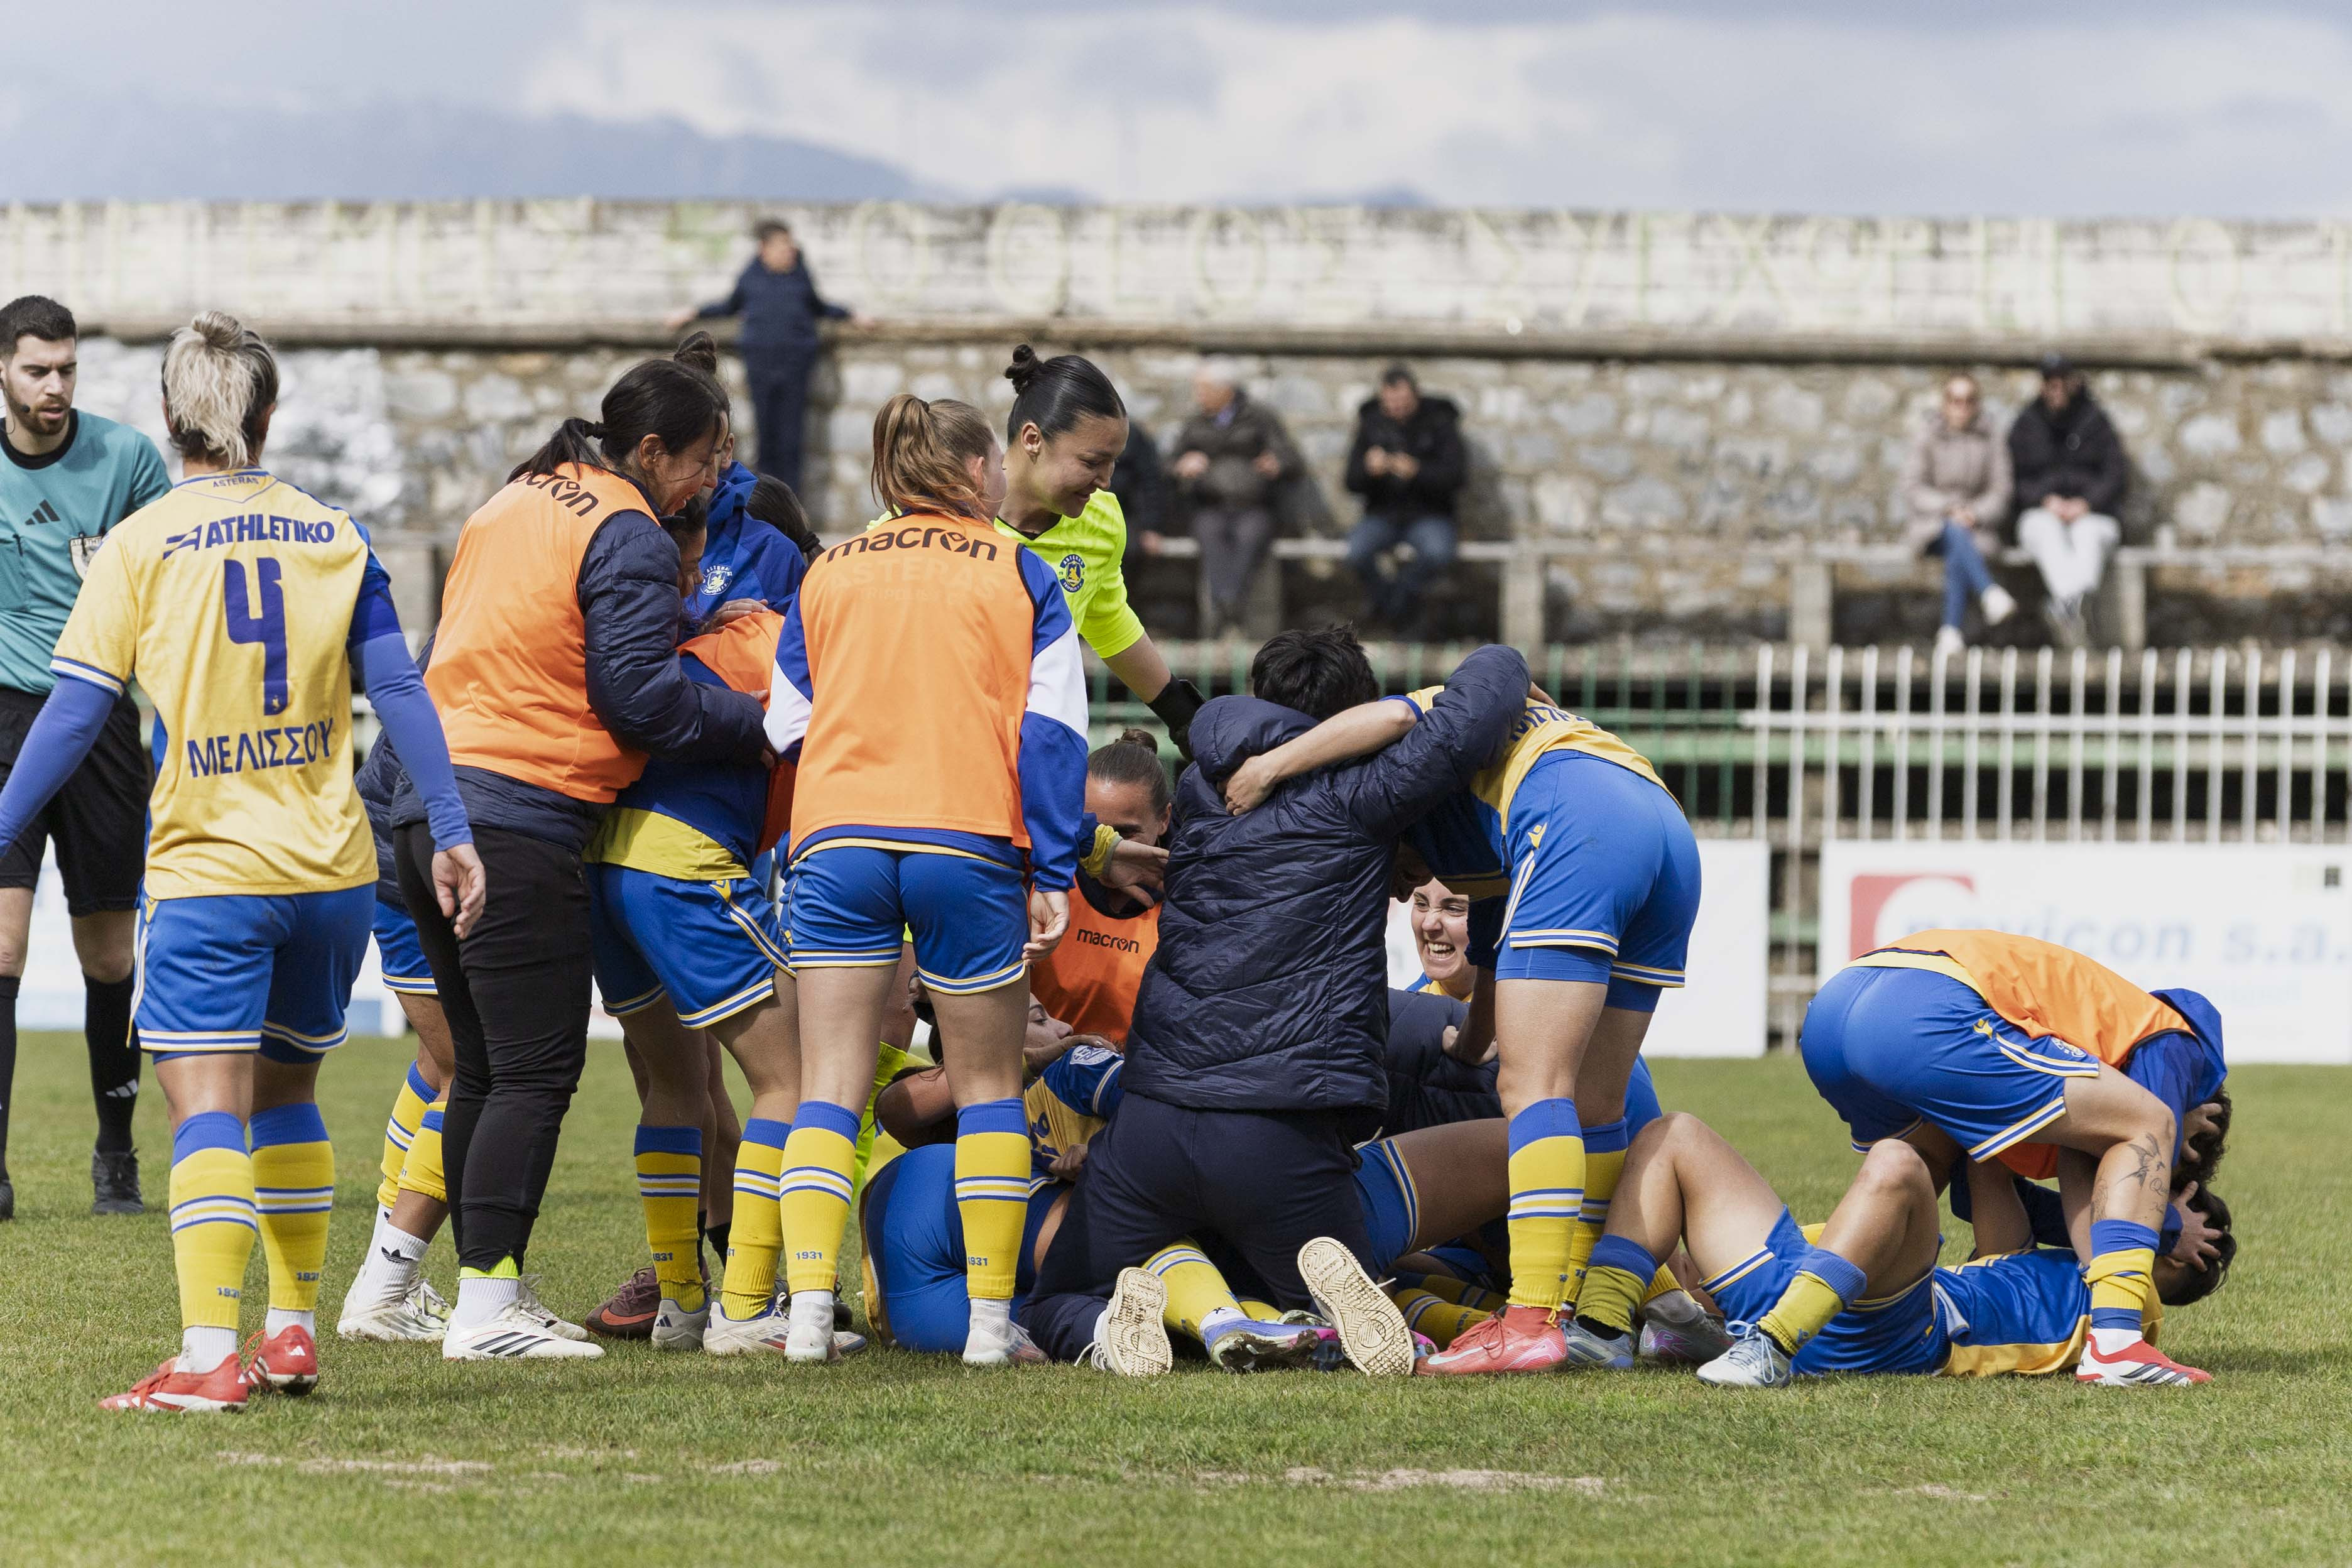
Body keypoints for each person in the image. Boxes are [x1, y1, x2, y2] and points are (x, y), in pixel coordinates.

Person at [0, 311, 481, 1410]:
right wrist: (450, 830)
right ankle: (293, 1330)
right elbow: (399, 691)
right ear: (266, 417)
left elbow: (73, 719)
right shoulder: (334, 534)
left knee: (207, 1109)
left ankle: (211, 1354)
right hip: (330, 874)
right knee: (290, 1098)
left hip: (214, 869)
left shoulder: (141, 544)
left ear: (173, 421)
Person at [1018, 629, 1530, 1372]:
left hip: (1152, 1120)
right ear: (1349, 717)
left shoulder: (1196, 790)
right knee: (1317, 1284)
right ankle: (1332, 1313)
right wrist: (1500, 668)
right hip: (1279, 1129)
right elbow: (1487, 689)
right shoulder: (1365, 789)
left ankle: (1111, 1327)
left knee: (1057, 1300)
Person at [396, 344, 766, 1361]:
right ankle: (484, 1310)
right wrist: (758, 721)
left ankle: (468, 1293)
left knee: (481, 1067)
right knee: (532, 1071)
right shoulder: (630, 528)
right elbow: (636, 698)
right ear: (649, 450)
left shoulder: (514, 497)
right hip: (516, 810)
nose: (714, 480)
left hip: (421, 803)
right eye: (704, 458)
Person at [1225, 668, 1702, 1377]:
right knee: (1595, 1104)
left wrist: (1268, 766)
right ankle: (1596, 1316)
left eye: (1394, 878)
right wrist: (1469, 1043)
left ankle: (1534, 1317)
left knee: (1535, 1089)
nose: (1392, 889)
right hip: (1664, 825)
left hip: (1580, 819)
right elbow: (1491, 954)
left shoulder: (1418, 749)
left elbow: (1387, 719)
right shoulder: (1481, 837)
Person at [765, 392, 1093, 1366]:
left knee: (829, 1086)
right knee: (991, 1084)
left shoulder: (826, 571)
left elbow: (785, 725)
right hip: (968, 839)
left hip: (838, 839)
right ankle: (993, 1327)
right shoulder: (1021, 571)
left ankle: (811, 1317)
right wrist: (1056, 866)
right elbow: (1054, 732)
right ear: (974, 472)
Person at [1799, 928, 2216, 1386]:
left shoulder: (2066, 1097)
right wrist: (2170, 1231)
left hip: (1839, 1005)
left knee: (1911, 1180)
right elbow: (2145, 1135)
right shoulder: (2173, 1040)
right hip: (1927, 1004)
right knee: (2147, 1123)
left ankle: (1768, 1292)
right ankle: (2116, 1342)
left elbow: (1975, 1183)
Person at [1555, 1111, 2229, 1387]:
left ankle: (1768, 1348)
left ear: (2194, 1254)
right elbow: (1987, 1159)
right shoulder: (2051, 1263)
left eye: (2166, 1184)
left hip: (1894, 1334)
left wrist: (2165, 1224)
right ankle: (1603, 1328)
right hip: (1827, 1292)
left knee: (1897, 1165)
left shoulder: (2129, 1306)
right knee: (1675, 1134)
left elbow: (2098, 1188)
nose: (2147, 1172)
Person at [0, 295, 171, 1221]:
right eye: (37, 369)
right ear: (2, 371)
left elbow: (171, 595)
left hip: (101, 719)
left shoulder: (128, 460)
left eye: (67, 368)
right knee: (1, 943)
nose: (56, 386)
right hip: (1, 722)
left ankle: (117, 1153)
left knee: (108, 957)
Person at [874, 349, 1203, 757]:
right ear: (1032, 440)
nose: (1105, 480)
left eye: (1114, 463)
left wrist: (1184, 716)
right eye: (1092, 462)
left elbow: (1107, 616)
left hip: (1038, 762)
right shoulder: (932, 517)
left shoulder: (1102, 519)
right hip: (939, 751)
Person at [334, 640, 461, 1343]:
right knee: (477, 1070)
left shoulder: (481, 584)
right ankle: (386, 1282)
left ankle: (383, 1279)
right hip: (423, 845)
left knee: (441, 1066)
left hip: (385, 841)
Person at [669, 219, 869, 493]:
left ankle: (792, 506)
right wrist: (692, 313)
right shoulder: (751, 276)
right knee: (767, 439)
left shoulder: (800, 275)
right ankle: (764, 505)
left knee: (791, 440)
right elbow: (729, 305)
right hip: (761, 366)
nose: (789, 252)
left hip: (795, 366)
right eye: (783, 246)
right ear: (764, 248)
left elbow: (818, 306)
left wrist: (851, 314)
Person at [1026, 729, 1165, 1045]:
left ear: (1164, 821)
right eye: (1093, 830)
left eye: (1125, 834)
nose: (1111, 845)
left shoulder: (1193, 902)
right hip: (1037, 1083)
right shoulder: (1041, 879)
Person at [1172, 361, 1303, 637]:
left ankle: (1228, 602)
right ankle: (1227, 601)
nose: (1199, 397)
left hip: (1255, 506)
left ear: (1226, 391)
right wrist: (1183, 464)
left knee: (1250, 537)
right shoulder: (1196, 423)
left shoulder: (1260, 418)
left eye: (1204, 390)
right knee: (1209, 534)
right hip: (1211, 505)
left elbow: (1292, 460)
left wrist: (1276, 463)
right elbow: (1169, 464)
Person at [2008, 353, 2128, 646]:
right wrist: (2045, 500)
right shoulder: (2026, 425)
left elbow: (2116, 474)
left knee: (2089, 533)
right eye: (2050, 381)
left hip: (2092, 512)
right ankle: (2074, 604)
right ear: (2042, 385)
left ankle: (2066, 606)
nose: (2056, 387)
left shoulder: (2095, 422)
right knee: (2044, 530)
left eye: (2062, 380)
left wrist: (2086, 503)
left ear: (2074, 382)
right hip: (2042, 513)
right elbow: (2013, 480)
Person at [1342, 366, 1466, 636]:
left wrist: (1417, 472)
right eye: (1391, 403)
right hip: (1383, 514)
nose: (1397, 409)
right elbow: (1351, 481)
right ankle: (1397, 609)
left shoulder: (1440, 422)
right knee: (1356, 551)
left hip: (1430, 514)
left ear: (1416, 396)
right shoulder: (1371, 423)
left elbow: (1457, 477)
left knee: (1437, 553)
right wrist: (1369, 471)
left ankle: (1393, 608)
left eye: (1403, 402)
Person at [1900, 373, 2017, 657]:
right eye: (1954, 400)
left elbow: (2002, 490)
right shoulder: (1927, 436)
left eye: (1967, 401)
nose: (1960, 407)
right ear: (1944, 403)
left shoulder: (1991, 439)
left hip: (1976, 527)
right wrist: (1948, 508)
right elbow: (1913, 487)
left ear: (1976, 405)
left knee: (1958, 549)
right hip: (1933, 526)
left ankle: (1951, 632)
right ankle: (1989, 592)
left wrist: (1974, 513)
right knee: (1953, 532)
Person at [1404, 876, 1473, 1001]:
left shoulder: (1517, 1007)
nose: (1428, 924)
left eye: (1453, 909)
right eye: (1422, 904)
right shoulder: (1398, 1016)